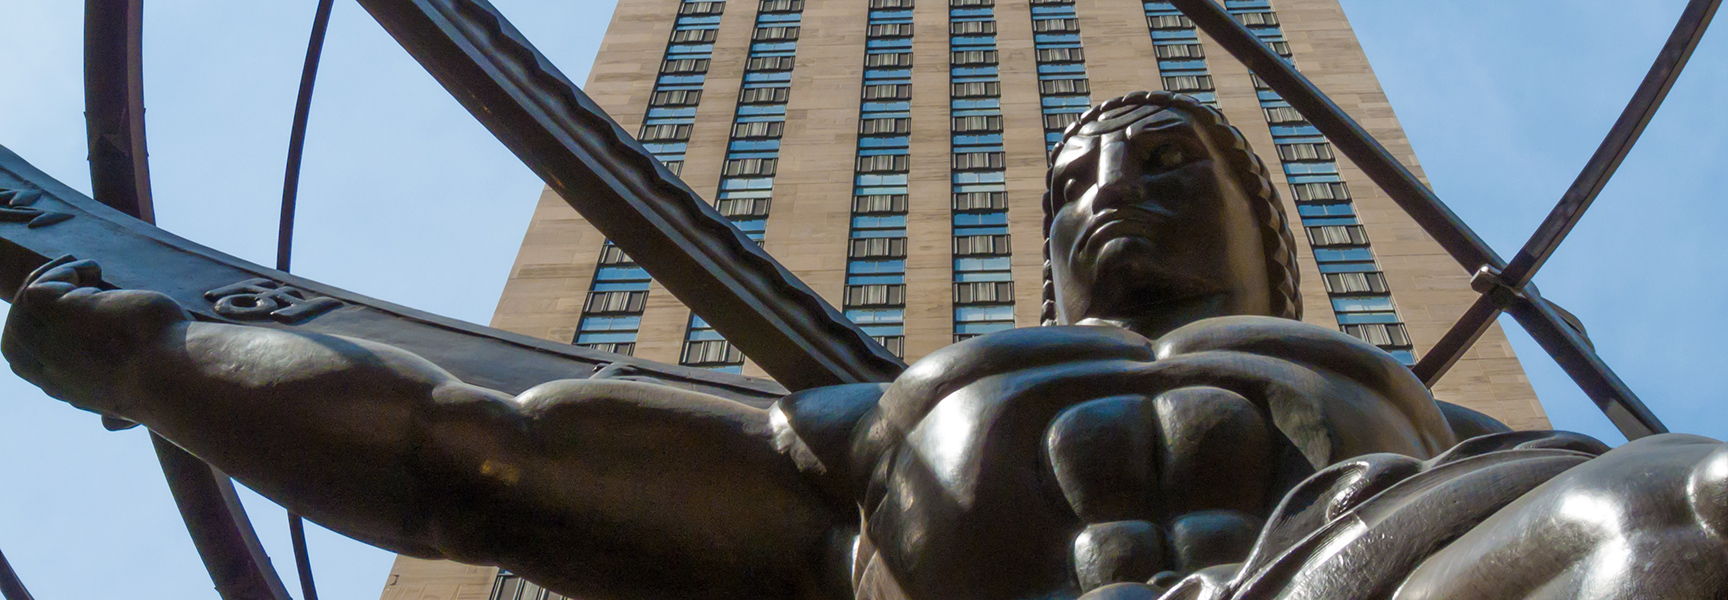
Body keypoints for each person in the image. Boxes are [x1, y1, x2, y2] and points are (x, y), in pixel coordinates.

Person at [5, 92, 1723, 600]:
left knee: (1679, 514)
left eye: (1166, 157)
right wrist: (149, 355)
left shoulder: (1403, 410)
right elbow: (474, 455)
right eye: (1070, 179)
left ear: (1278, 233)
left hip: (1383, 574)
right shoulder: (902, 414)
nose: (1107, 189)